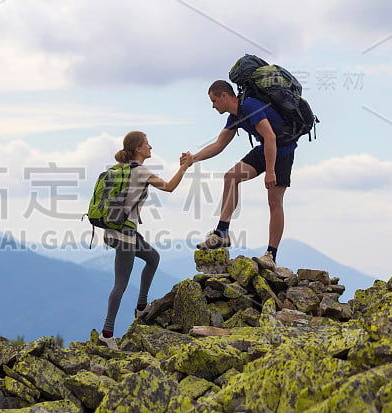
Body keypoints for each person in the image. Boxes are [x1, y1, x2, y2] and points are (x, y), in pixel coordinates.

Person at [181, 80, 297, 269]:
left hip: (281, 152)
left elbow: (270, 136)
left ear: (224, 96)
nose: (212, 106)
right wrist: (193, 158)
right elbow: (219, 145)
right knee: (231, 177)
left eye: (214, 101)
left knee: (274, 202)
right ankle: (222, 233)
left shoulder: (249, 106)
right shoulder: (235, 116)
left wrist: (270, 171)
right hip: (264, 150)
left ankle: (271, 254)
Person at [98, 131, 192, 350]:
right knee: (120, 284)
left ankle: (141, 306)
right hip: (124, 236)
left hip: (114, 232)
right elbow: (169, 187)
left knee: (152, 257)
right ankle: (107, 333)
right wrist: (184, 167)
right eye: (147, 144)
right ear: (138, 149)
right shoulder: (139, 171)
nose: (151, 147)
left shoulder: (120, 170)